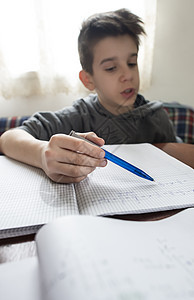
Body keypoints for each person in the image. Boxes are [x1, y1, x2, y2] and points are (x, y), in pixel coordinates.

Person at [0, 9, 193, 183]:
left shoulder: (156, 117)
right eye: (111, 68)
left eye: (132, 63)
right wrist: (42, 153)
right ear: (88, 79)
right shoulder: (79, 116)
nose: (128, 75)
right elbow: (8, 138)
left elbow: (177, 160)